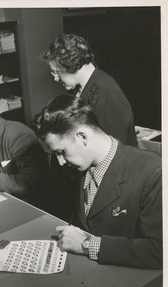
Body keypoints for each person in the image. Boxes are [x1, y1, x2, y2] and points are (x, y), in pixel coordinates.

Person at [31, 94, 162, 269]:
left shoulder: (154, 171)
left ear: (82, 137)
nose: (61, 162)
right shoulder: (80, 164)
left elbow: (160, 250)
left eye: (61, 152)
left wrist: (87, 245)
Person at [41, 33, 138, 147]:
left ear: (72, 65)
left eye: (57, 72)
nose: (56, 78)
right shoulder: (80, 88)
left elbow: (116, 149)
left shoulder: (106, 93)